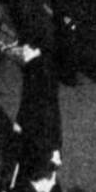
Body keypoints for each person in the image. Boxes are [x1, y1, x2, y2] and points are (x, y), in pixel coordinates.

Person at [11, 37, 62, 174]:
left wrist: (20, 121)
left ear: (35, 50)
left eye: (25, 49)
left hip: (37, 125)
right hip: (43, 126)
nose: (22, 53)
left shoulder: (34, 71)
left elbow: (29, 100)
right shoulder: (40, 67)